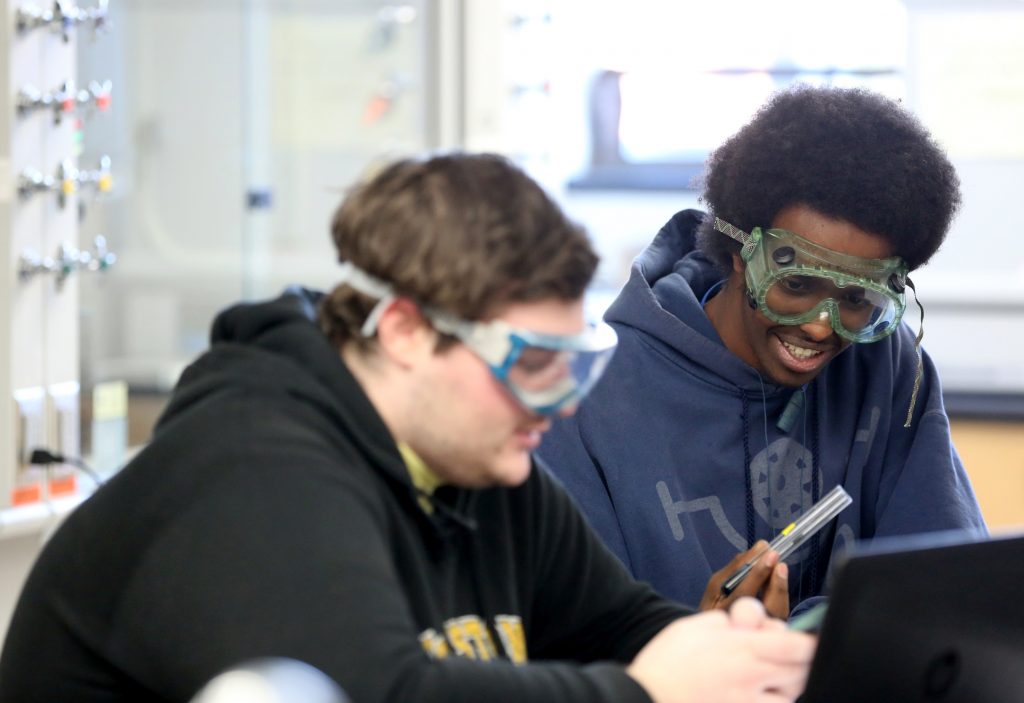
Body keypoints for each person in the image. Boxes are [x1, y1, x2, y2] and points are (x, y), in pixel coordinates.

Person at [0, 153, 814, 703]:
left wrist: (742, 656)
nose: (561, 402)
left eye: (577, 363)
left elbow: (620, 623)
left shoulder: (484, 467)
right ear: (401, 332)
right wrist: (643, 693)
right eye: (532, 363)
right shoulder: (249, 471)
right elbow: (380, 692)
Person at [537, 85, 987, 620]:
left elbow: (952, 597)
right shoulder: (592, 398)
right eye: (796, 285)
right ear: (736, 252)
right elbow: (573, 648)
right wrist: (696, 645)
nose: (822, 328)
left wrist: (804, 635)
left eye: (856, 298)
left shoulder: (888, 370)